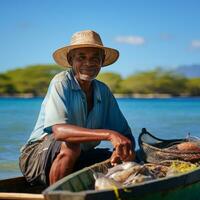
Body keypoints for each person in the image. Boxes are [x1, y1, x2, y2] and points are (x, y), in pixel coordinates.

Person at [19, 30, 135, 186]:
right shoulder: (61, 82)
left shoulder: (103, 91)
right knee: (71, 145)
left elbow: (125, 135)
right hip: (36, 158)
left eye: (95, 58)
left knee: (122, 159)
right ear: (70, 59)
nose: (89, 63)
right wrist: (109, 134)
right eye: (81, 57)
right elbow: (60, 132)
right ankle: (57, 196)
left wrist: (120, 151)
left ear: (102, 62)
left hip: (79, 156)